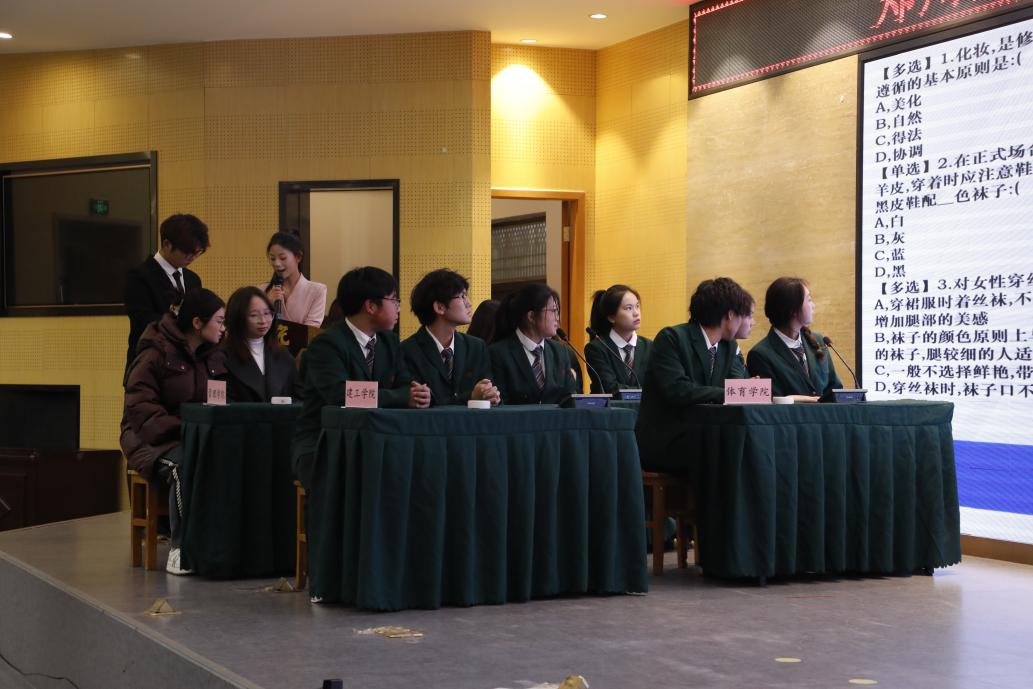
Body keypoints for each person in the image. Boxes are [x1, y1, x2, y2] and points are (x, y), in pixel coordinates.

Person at [120, 288, 227, 575]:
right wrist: (185, 429)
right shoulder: (154, 353)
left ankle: (219, 545)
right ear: (197, 323)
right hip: (150, 438)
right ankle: (181, 548)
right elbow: (140, 407)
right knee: (184, 465)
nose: (223, 328)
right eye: (219, 321)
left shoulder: (214, 356)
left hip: (194, 435)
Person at [291, 267, 428, 487]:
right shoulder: (327, 344)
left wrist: (419, 394)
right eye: (394, 300)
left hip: (377, 436)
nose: (399, 308)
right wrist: (402, 397)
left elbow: (406, 384)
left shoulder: (389, 342)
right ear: (371, 306)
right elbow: (341, 394)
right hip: (325, 440)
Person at [636, 277, 753, 473]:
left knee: (748, 443)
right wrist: (728, 393)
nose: (744, 321)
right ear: (730, 315)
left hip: (706, 431)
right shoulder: (672, 338)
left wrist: (748, 389)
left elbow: (736, 385)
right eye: (743, 315)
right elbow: (678, 390)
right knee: (725, 450)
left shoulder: (728, 346)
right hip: (669, 438)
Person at [124, 213, 210, 371]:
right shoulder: (139, 276)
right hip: (150, 365)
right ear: (167, 244)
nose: (192, 258)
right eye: (187, 253)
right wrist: (185, 323)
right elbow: (144, 322)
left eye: (197, 253)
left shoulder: (193, 279)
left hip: (186, 366)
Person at [401, 269, 500, 406]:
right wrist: (470, 397)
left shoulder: (476, 347)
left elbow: (487, 390)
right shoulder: (408, 350)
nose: (469, 303)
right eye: (462, 296)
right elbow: (419, 401)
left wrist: (492, 396)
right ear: (439, 307)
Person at [746, 277, 842, 400]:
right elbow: (773, 402)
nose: (813, 306)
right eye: (809, 300)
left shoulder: (818, 340)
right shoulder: (760, 354)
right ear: (793, 310)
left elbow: (835, 388)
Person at [488, 283, 577, 405]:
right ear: (531, 316)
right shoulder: (498, 353)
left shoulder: (561, 351)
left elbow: (570, 398)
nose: (557, 318)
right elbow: (500, 403)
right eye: (553, 311)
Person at [222, 286, 302, 402]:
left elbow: (299, 397)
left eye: (267, 313)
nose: (263, 321)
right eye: (254, 315)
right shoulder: (222, 356)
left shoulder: (283, 355)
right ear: (237, 317)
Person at [584, 284, 652, 394]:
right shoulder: (596, 348)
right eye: (629, 308)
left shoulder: (650, 347)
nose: (636, 313)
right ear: (611, 317)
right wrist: (645, 393)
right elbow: (609, 387)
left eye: (637, 306)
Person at [259, 231, 327, 327]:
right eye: (273, 259)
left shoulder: (317, 290)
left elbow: (311, 329)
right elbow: (254, 327)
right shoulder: (261, 290)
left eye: (283, 258)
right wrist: (266, 304)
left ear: (298, 257)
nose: (276, 264)